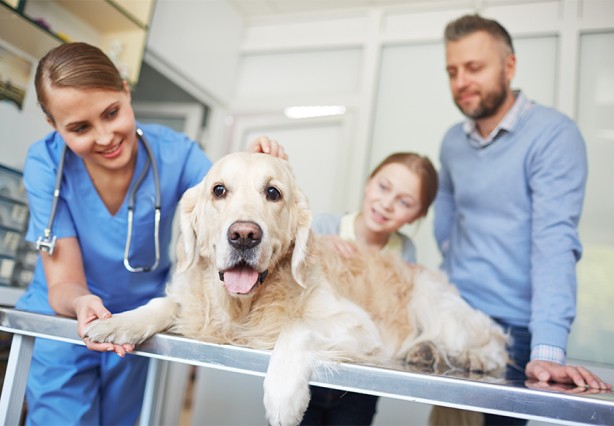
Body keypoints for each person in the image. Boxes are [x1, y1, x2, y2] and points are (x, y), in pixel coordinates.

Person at [15, 42, 286, 426]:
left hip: (136, 321)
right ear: (54, 127)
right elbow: (64, 281)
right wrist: (81, 304)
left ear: (126, 91)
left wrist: (258, 168)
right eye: (79, 127)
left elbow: (224, 204)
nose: (105, 136)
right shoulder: (45, 164)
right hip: (66, 314)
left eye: (112, 113)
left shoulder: (176, 154)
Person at [435, 13, 611, 425]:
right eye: (452, 71)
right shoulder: (452, 141)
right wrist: (452, 263)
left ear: (509, 66)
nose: (461, 81)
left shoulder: (552, 135)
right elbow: (446, 208)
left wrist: (548, 352)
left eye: (474, 68)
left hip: (514, 334)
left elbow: (554, 241)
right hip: (454, 320)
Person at [300, 152, 439, 426]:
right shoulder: (325, 227)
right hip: (310, 366)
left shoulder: (405, 252)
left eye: (404, 202)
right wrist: (316, 245)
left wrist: (417, 282)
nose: (387, 204)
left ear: (417, 215)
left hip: (363, 380)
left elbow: (398, 316)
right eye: (383, 187)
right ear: (368, 182)